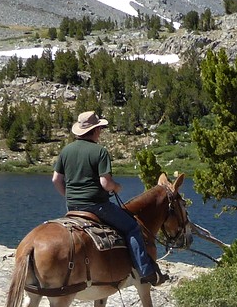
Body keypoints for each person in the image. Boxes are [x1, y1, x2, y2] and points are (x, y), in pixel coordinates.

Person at [52, 110, 166, 285]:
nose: (100, 132)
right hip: (97, 206)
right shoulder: (99, 151)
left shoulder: (66, 151)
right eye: (100, 129)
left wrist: (69, 196)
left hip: (72, 207)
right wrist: (116, 187)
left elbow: (56, 179)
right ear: (95, 130)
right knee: (132, 227)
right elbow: (105, 183)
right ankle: (145, 271)